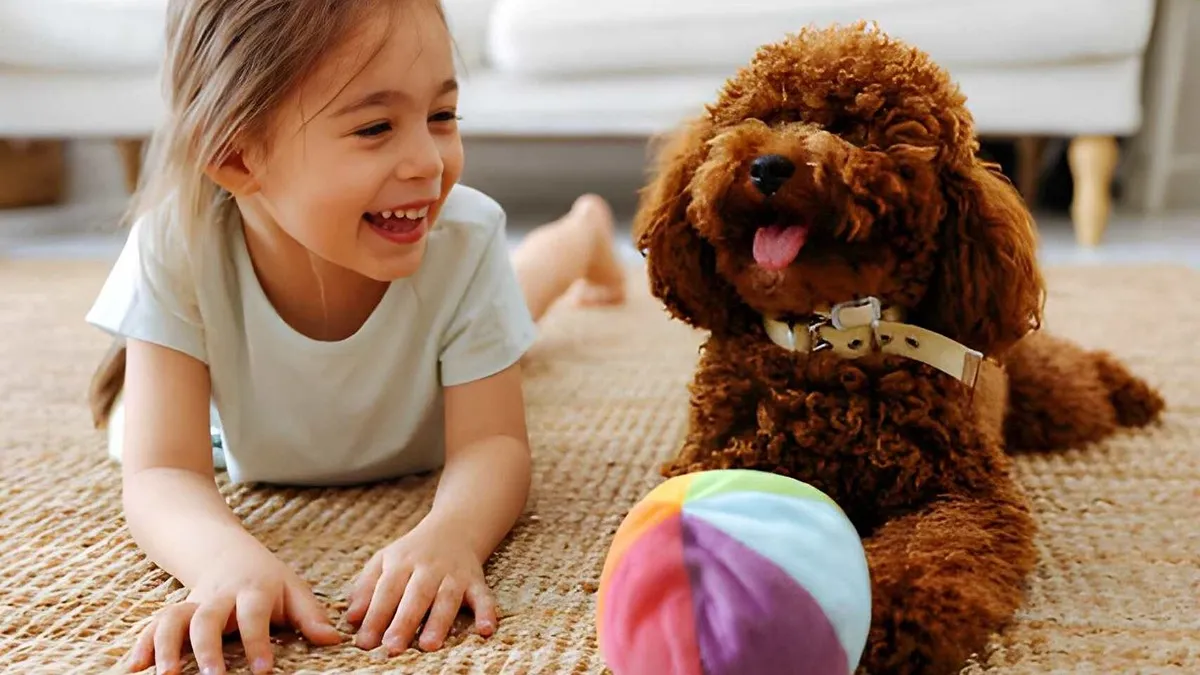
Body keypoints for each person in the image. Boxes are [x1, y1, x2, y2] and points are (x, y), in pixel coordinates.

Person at [83, 1, 626, 673]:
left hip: (441, 356)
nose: (429, 162)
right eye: (375, 127)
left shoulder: (463, 237)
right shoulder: (175, 247)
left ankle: (582, 233)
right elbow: (163, 471)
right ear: (236, 156)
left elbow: (494, 443)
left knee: (526, 290)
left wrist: (452, 533)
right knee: (516, 297)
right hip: (242, 435)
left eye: (443, 116)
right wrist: (223, 560)